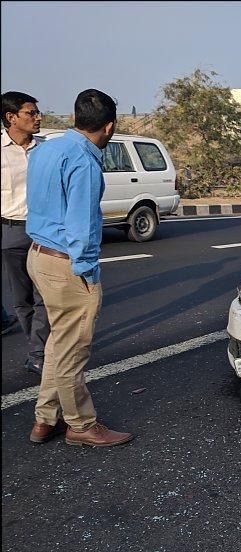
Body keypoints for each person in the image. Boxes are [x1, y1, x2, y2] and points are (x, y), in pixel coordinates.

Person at [26, 89, 133, 447]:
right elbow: (82, 225)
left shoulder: (46, 149)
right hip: (65, 263)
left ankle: (45, 418)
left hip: (38, 254)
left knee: (60, 341)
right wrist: (86, 272)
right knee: (73, 349)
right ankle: (82, 425)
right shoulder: (85, 162)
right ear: (109, 126)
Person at [1, 91, 50, 374]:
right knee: (22, 299)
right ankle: (38, 347)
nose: (38, 117)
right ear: (11, 117)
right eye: (31, 113)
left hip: (43, 233)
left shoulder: (44, 150)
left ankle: (38, 352)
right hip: (11, 231)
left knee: (44, 296)